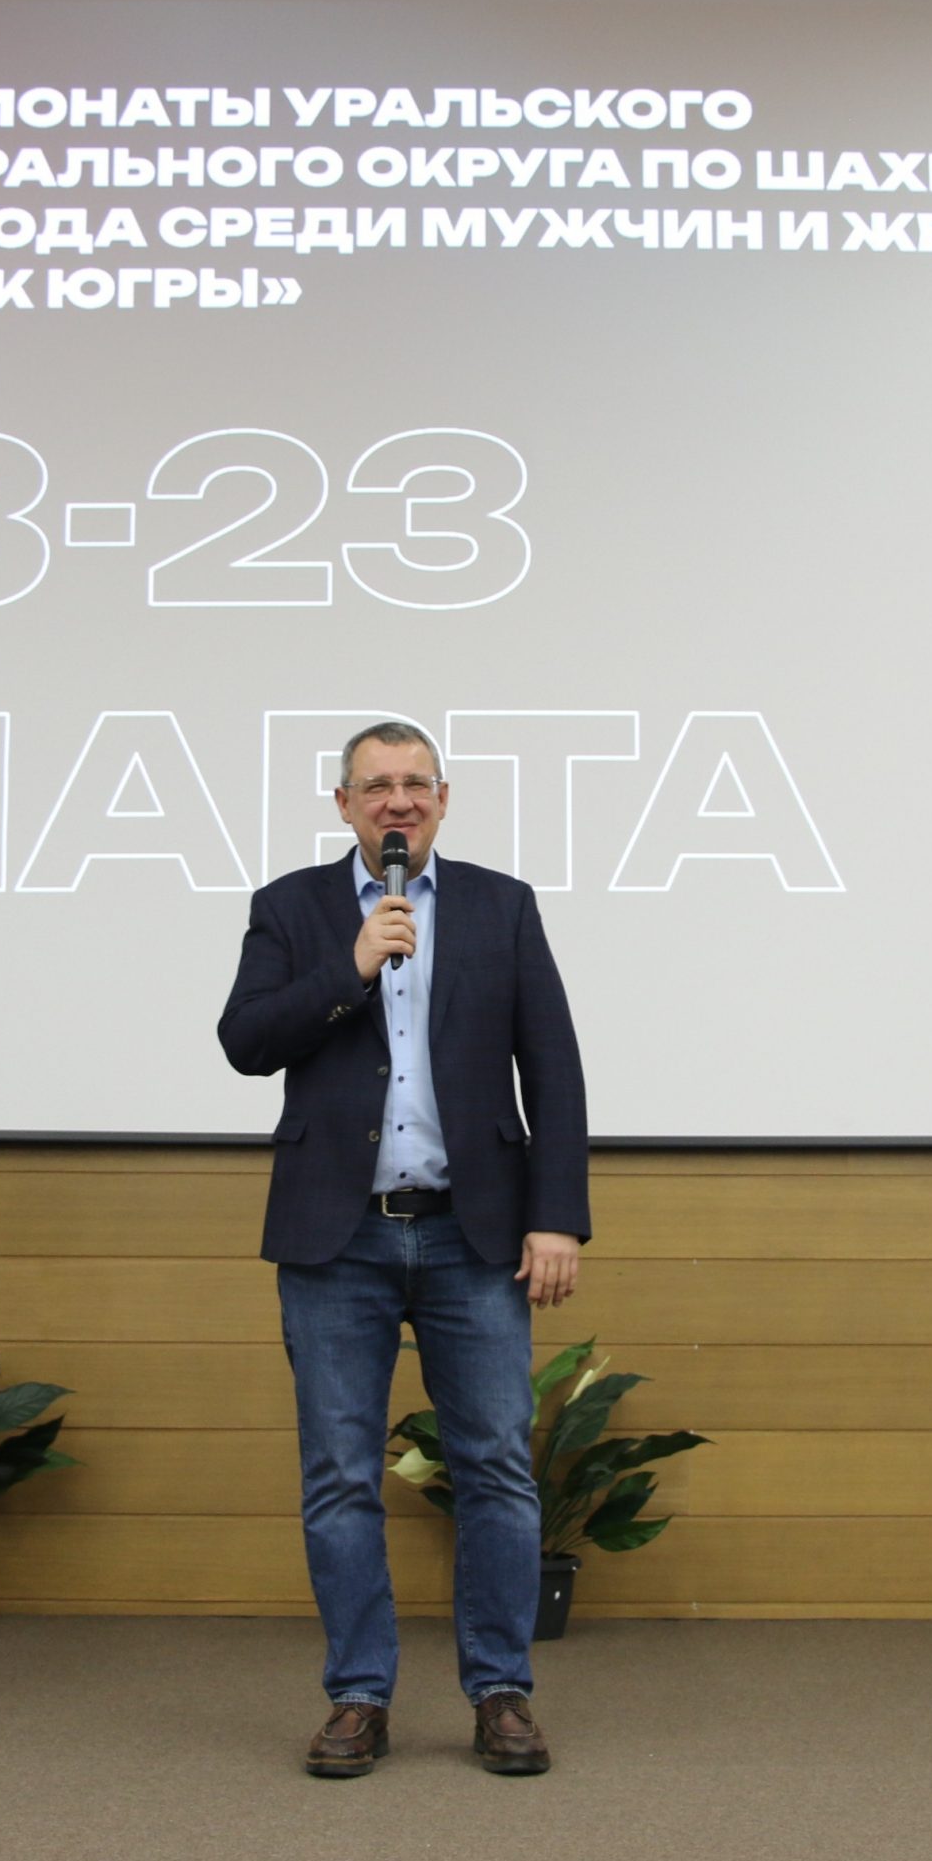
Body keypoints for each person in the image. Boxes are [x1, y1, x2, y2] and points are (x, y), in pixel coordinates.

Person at [219, 722, 589, 1778]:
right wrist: (350, 965)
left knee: (497, 1470)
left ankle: (502, 1689)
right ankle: (358, 1695)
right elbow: (245, 1042)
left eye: (415, 783)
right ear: (343, 804)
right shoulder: (291, 907)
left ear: (444, 797)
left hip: (476, 1234)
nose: (398, 801)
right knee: (340, 1474)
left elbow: (552, 1067)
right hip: (336, 1238)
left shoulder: (501, 906)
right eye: (376, 785)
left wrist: (556, 1215)